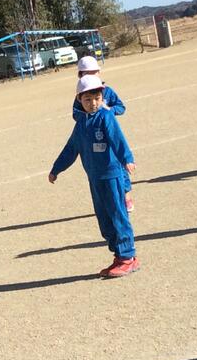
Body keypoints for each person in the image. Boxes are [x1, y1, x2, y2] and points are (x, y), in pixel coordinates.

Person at [49, 75, 139, 278]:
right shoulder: (81, 124)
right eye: (88, 99)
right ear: (79, 99)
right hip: (95, 178)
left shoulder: (106, 117)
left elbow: (117, 139)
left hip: (112, 175)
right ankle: (119, 255)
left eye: (97, 98)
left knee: (118, 215)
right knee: (104, 220)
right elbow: (71, 149)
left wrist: (127, 158)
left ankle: (128, 257)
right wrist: (56, 169)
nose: (93, 103)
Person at [75, 55, 133, 212]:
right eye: (86, 73)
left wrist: (109, 111)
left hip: (111, 134)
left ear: (99, 72)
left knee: (120, 164)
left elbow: (121, 107)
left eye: (94, 72)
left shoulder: (107, 91)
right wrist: (87, 120)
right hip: (93, 137)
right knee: (101, 169)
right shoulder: (81, 94)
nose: (91, 75)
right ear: (80, 75)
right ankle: (107, 202)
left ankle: (126, 196)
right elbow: (76, 114)